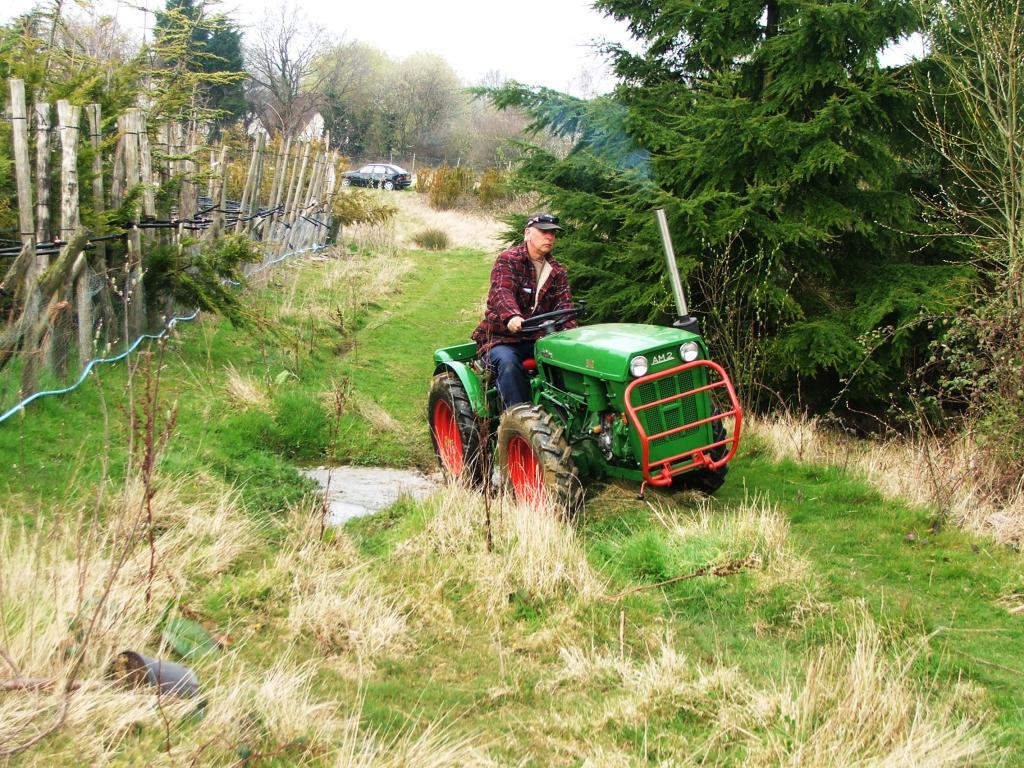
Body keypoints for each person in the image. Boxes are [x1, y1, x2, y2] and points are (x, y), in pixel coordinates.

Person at [471, 212, 577, 408]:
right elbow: (502, 291)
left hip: (538, 339)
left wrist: (569, 334)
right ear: (527, 233)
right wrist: (512, 316)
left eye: (553, 233)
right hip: (502, 340)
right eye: (544, 231)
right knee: (508, 363)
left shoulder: (557, 270)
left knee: (571, 359)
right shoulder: (508, 260)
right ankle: (516, 420)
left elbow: (565, 306)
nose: (550, 237)